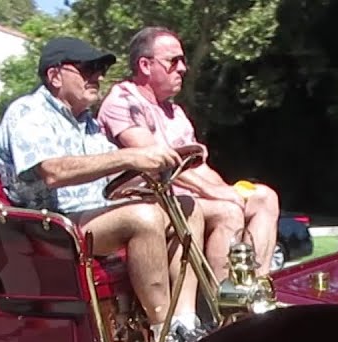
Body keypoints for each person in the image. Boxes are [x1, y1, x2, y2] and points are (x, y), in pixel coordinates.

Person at [0, 36, 205, 342]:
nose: (98, 77)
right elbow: (53, 172)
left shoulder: (86, 123)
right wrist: (130, 156)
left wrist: (163, 163)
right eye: (87, 69)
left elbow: (114, 173)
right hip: (48, 227)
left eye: (100, 69)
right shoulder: (27, 112)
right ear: (55, 76)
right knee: (144, 218)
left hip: (91, 215)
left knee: (187, 207)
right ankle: (164, 336)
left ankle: (185, 324)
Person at [97, 26, 280, 280]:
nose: (183, 68)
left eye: (183, 61)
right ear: (145, 65)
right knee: (227, 211)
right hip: (147, 203)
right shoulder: (123, 102)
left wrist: (226, 190)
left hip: (186, 198)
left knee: (264, 197)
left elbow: (198, 167)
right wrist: (214, 193)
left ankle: (255, 287)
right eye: (174, 61)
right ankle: (226, 300)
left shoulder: (175, 113)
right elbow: (158, 160)